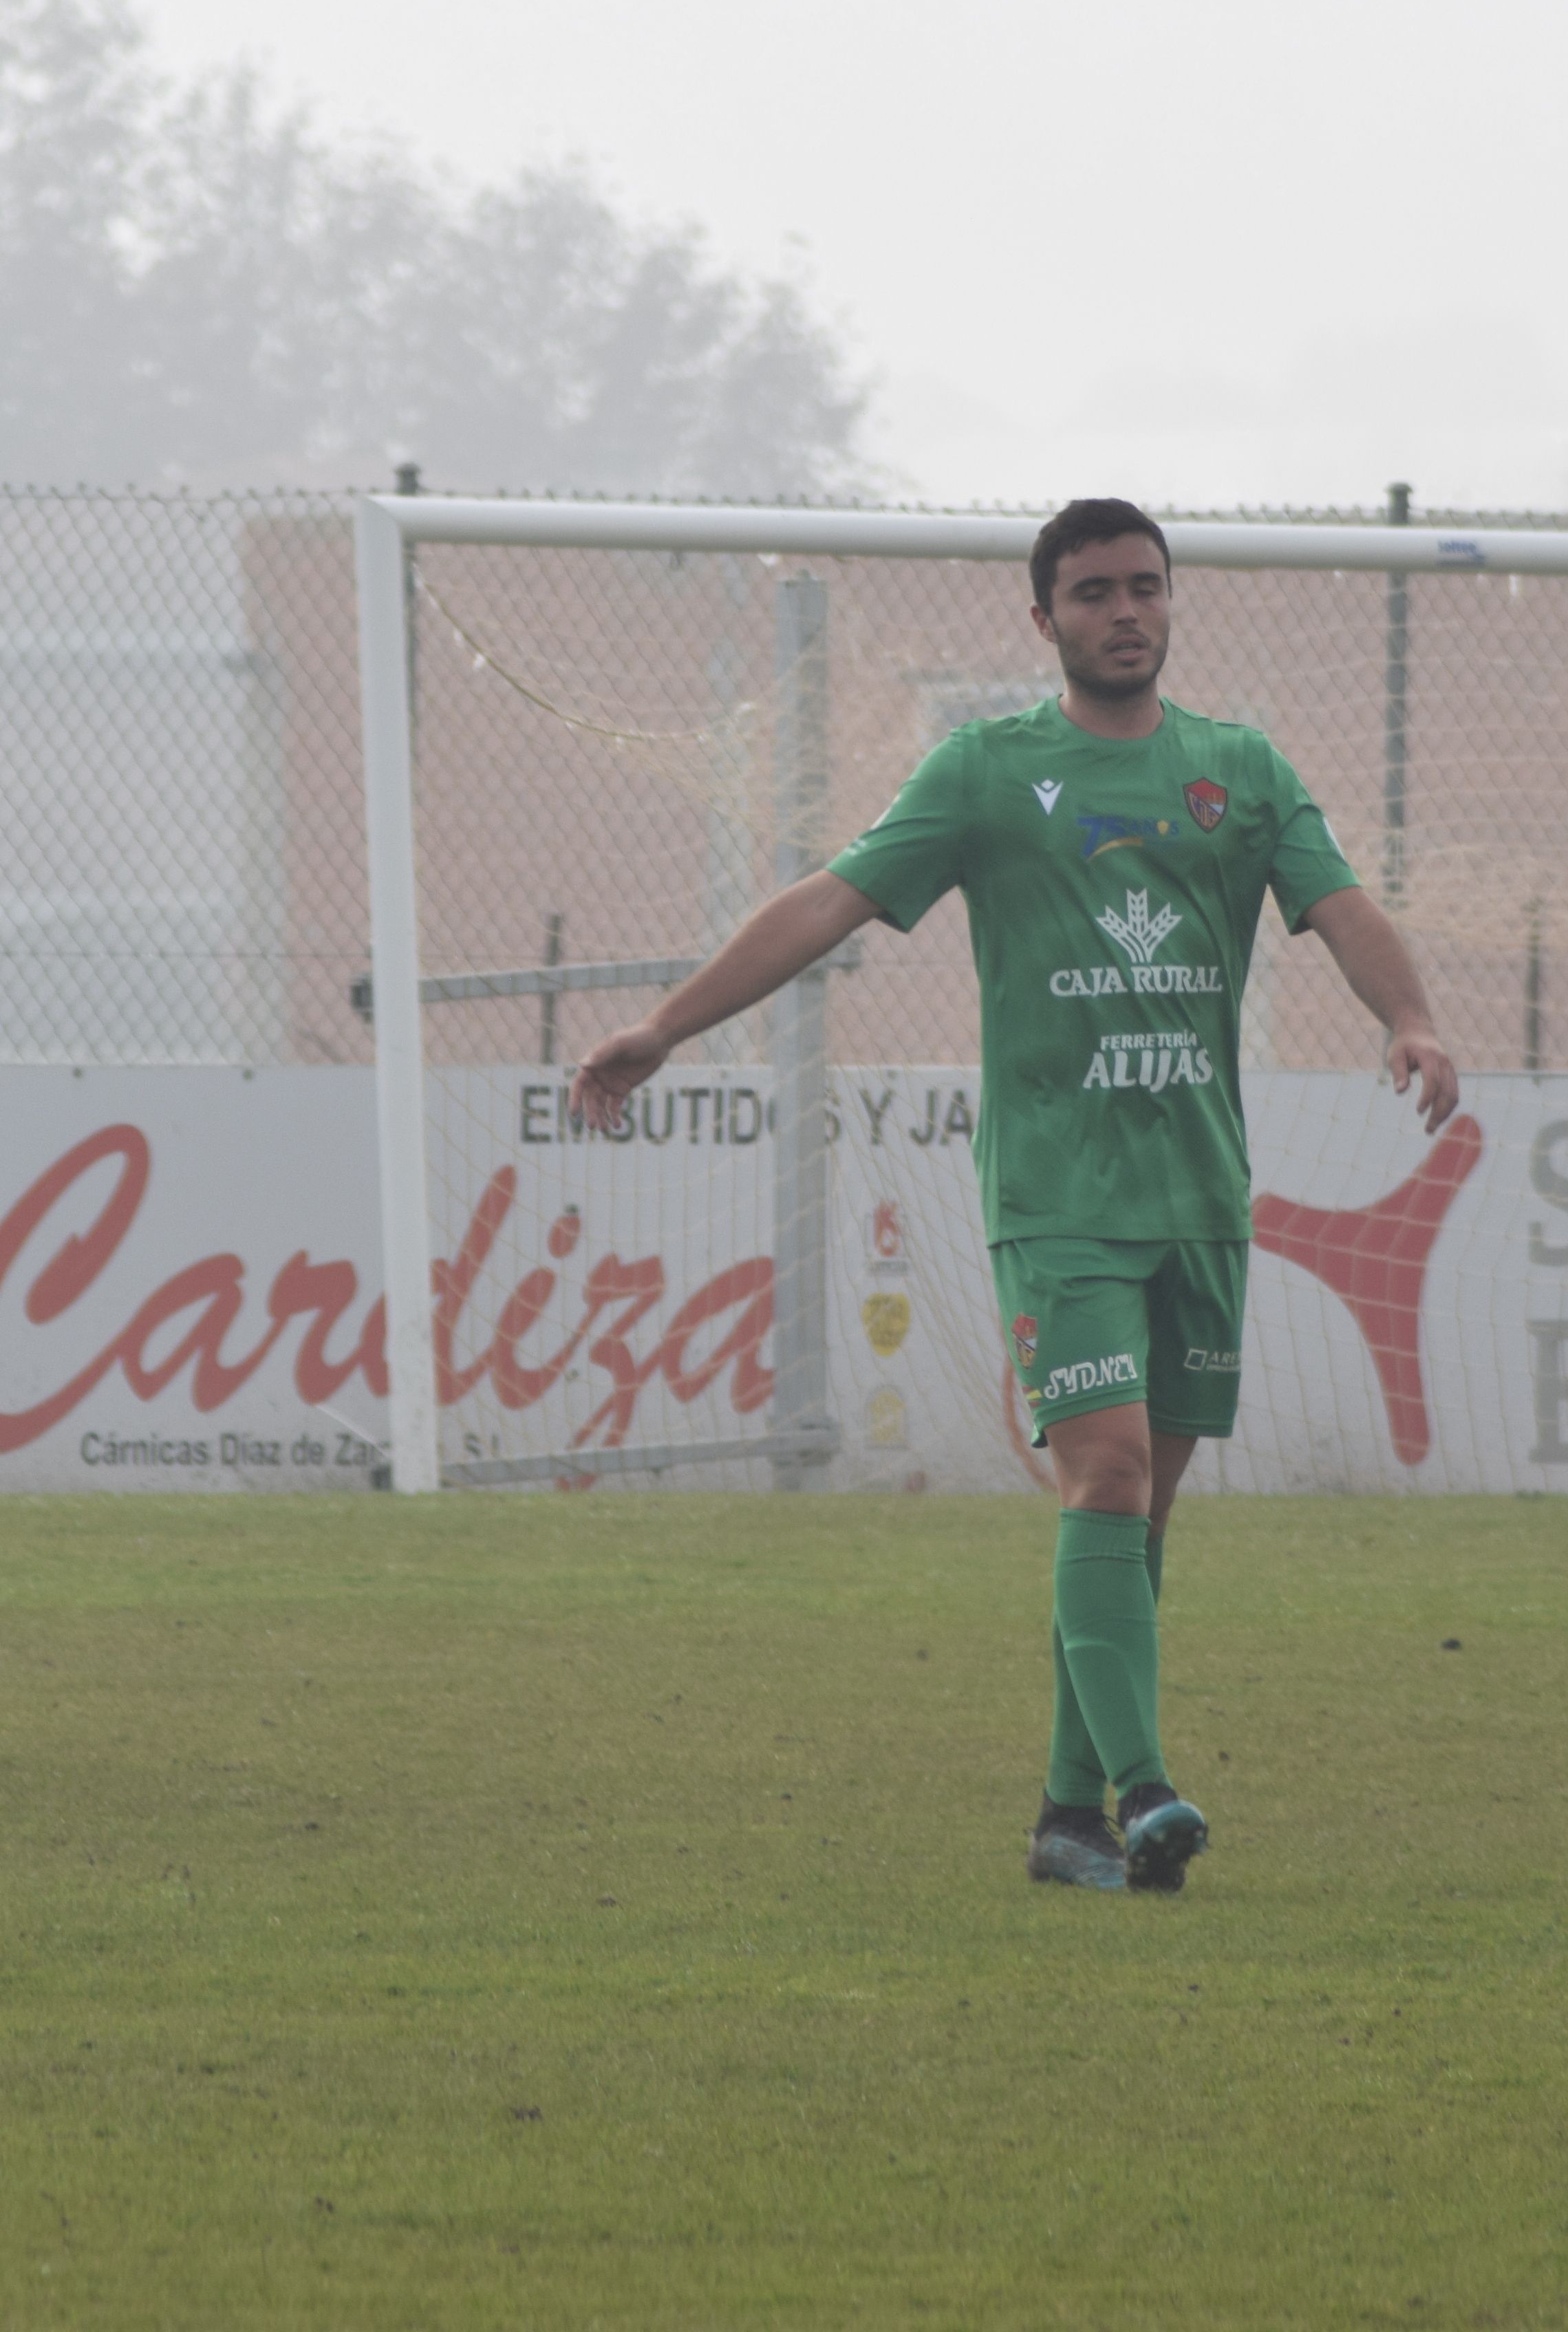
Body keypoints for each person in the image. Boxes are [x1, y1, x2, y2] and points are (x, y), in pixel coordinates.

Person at [571, 497, 1458, 1894]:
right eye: (1095, 590)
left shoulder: (1241, 769)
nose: (1126, 610)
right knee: (1101, 1470)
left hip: (1200, 1195)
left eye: (1145, 586)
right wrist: (670, 1025)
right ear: (1042, 619)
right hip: (1058, 1196)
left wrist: (1407, 1014)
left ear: (1173, 604)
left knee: (1135, 1516)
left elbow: (1338, 901)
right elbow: (830, 899)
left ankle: (1065, 1817)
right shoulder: (989, 773)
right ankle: (1147, 1783)